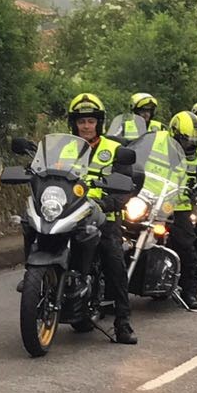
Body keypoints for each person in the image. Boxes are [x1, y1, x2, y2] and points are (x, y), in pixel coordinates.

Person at [57, 92, 138, 345]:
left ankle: (122, 323)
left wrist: (106, 203)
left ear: (98, 123)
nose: (86, 126)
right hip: (69, 213)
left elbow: (124, 187)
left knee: (114, 260)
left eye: (91, 121)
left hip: (104, 216)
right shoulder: (64, 149)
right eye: (81, 121)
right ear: (74, 124)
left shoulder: (114, 150)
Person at [167, 110, 197, 310]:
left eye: (194, 141)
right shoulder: (159, 145)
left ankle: (189, 292)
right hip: (151, 203)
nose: (190, 145)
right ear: (174, 133)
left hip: (181, 207)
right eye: (186, 140)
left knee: (186, 246)